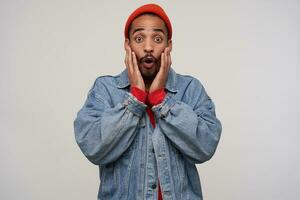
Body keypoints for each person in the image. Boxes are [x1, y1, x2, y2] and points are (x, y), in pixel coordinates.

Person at [74, 3, 222, 200]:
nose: (149, 47)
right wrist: (135, 98)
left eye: (158, 39)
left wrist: (161, 100)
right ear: (128, 46)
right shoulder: (105, 90)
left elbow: (205, 147)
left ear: (169, 46)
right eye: (139, 38)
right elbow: (94, 148)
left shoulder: (190, 89)